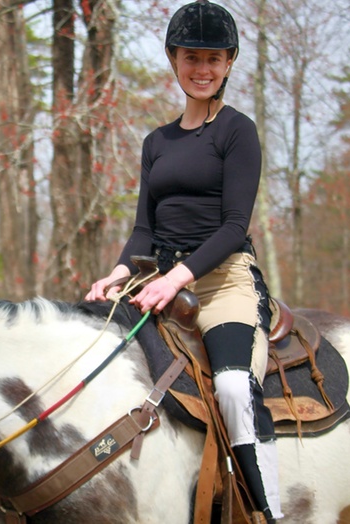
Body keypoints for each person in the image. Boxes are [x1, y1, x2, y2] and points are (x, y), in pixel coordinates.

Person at [85, 1, 282, 521]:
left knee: (235, 389)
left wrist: (177, 277)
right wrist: (119, 272)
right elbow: (143, 229)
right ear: (174, 60)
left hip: (221, 284)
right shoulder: (157, 142)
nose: (202, 69)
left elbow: (234, 227)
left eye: (214, 58)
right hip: (156, 279)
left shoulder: (238, 131)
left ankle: (268, 510)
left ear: (230, 62)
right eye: (191, 56)